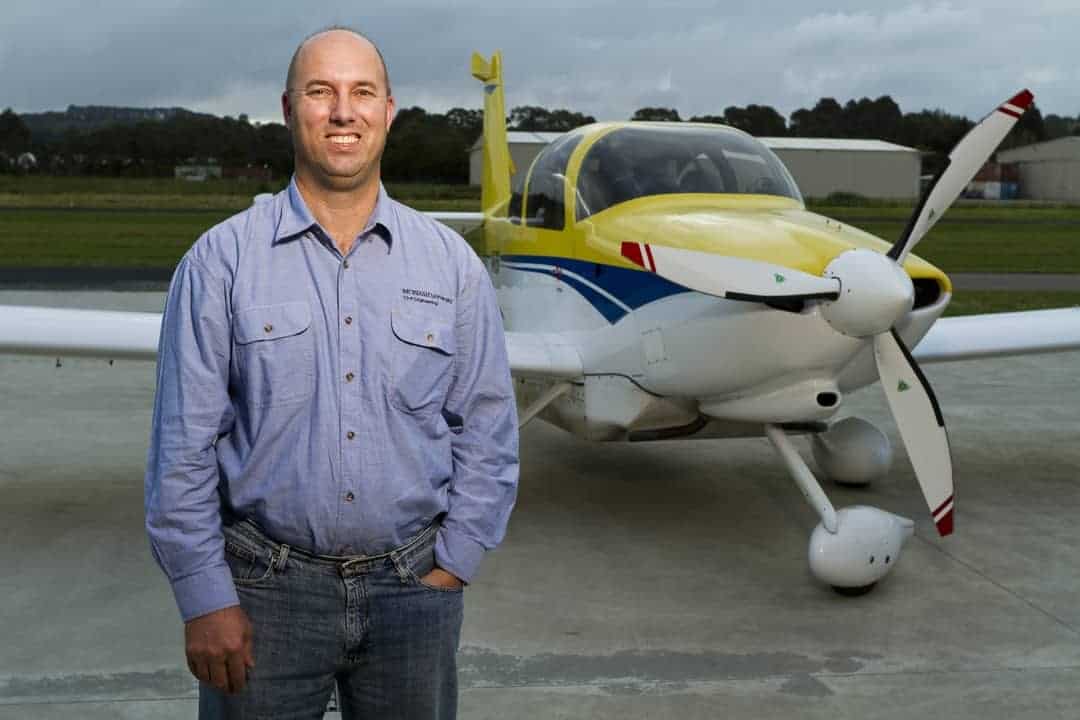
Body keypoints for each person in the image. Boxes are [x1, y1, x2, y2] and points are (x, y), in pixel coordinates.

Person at [144, 26, 519, 719]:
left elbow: (488, 424)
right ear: (290, 109)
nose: (343, 111)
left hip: (415, 592)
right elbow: (182, 449)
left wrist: (455, 560)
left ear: (388, 111)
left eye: (361, 93)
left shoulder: (451, 266)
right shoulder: (219, 263)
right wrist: (205, 596)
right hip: (263, 594)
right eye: (322, 93)